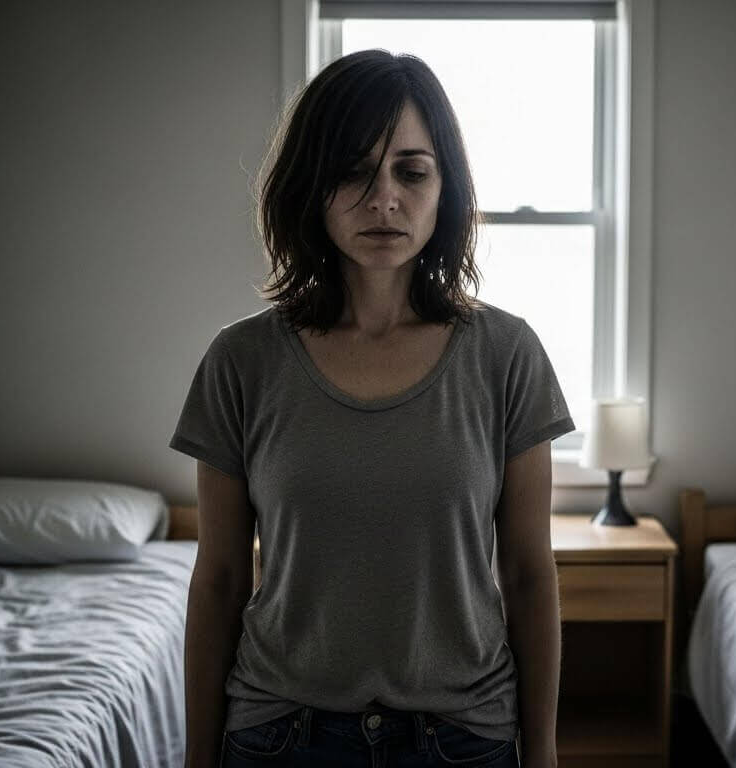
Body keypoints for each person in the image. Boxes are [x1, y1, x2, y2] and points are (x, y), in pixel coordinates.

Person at [171, 49, 574, 768]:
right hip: (281, 734)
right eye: (353, 171)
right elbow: (221, 580)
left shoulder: (506, 353)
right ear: (311, 187)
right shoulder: (242, 360)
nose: (383, 198)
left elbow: (527, 574)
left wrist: (540, 753)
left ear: (445, 189)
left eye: (411, 172)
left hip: (462, 735)